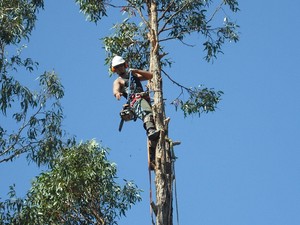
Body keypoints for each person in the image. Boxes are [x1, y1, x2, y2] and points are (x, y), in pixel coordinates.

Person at [111, 55, 159, 141]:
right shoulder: (118, 80)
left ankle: (154, 133)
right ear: (115, 70)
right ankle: (151, 130)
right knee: (146, 112)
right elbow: (116, 90)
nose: (119, 69)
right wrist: (117, 93)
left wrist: (136, 71)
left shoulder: (133, 75)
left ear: (124, 65)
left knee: (153, 114)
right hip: (135, 100)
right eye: (117, 67)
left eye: (120, 66)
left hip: (144, 98)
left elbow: (150, 76)